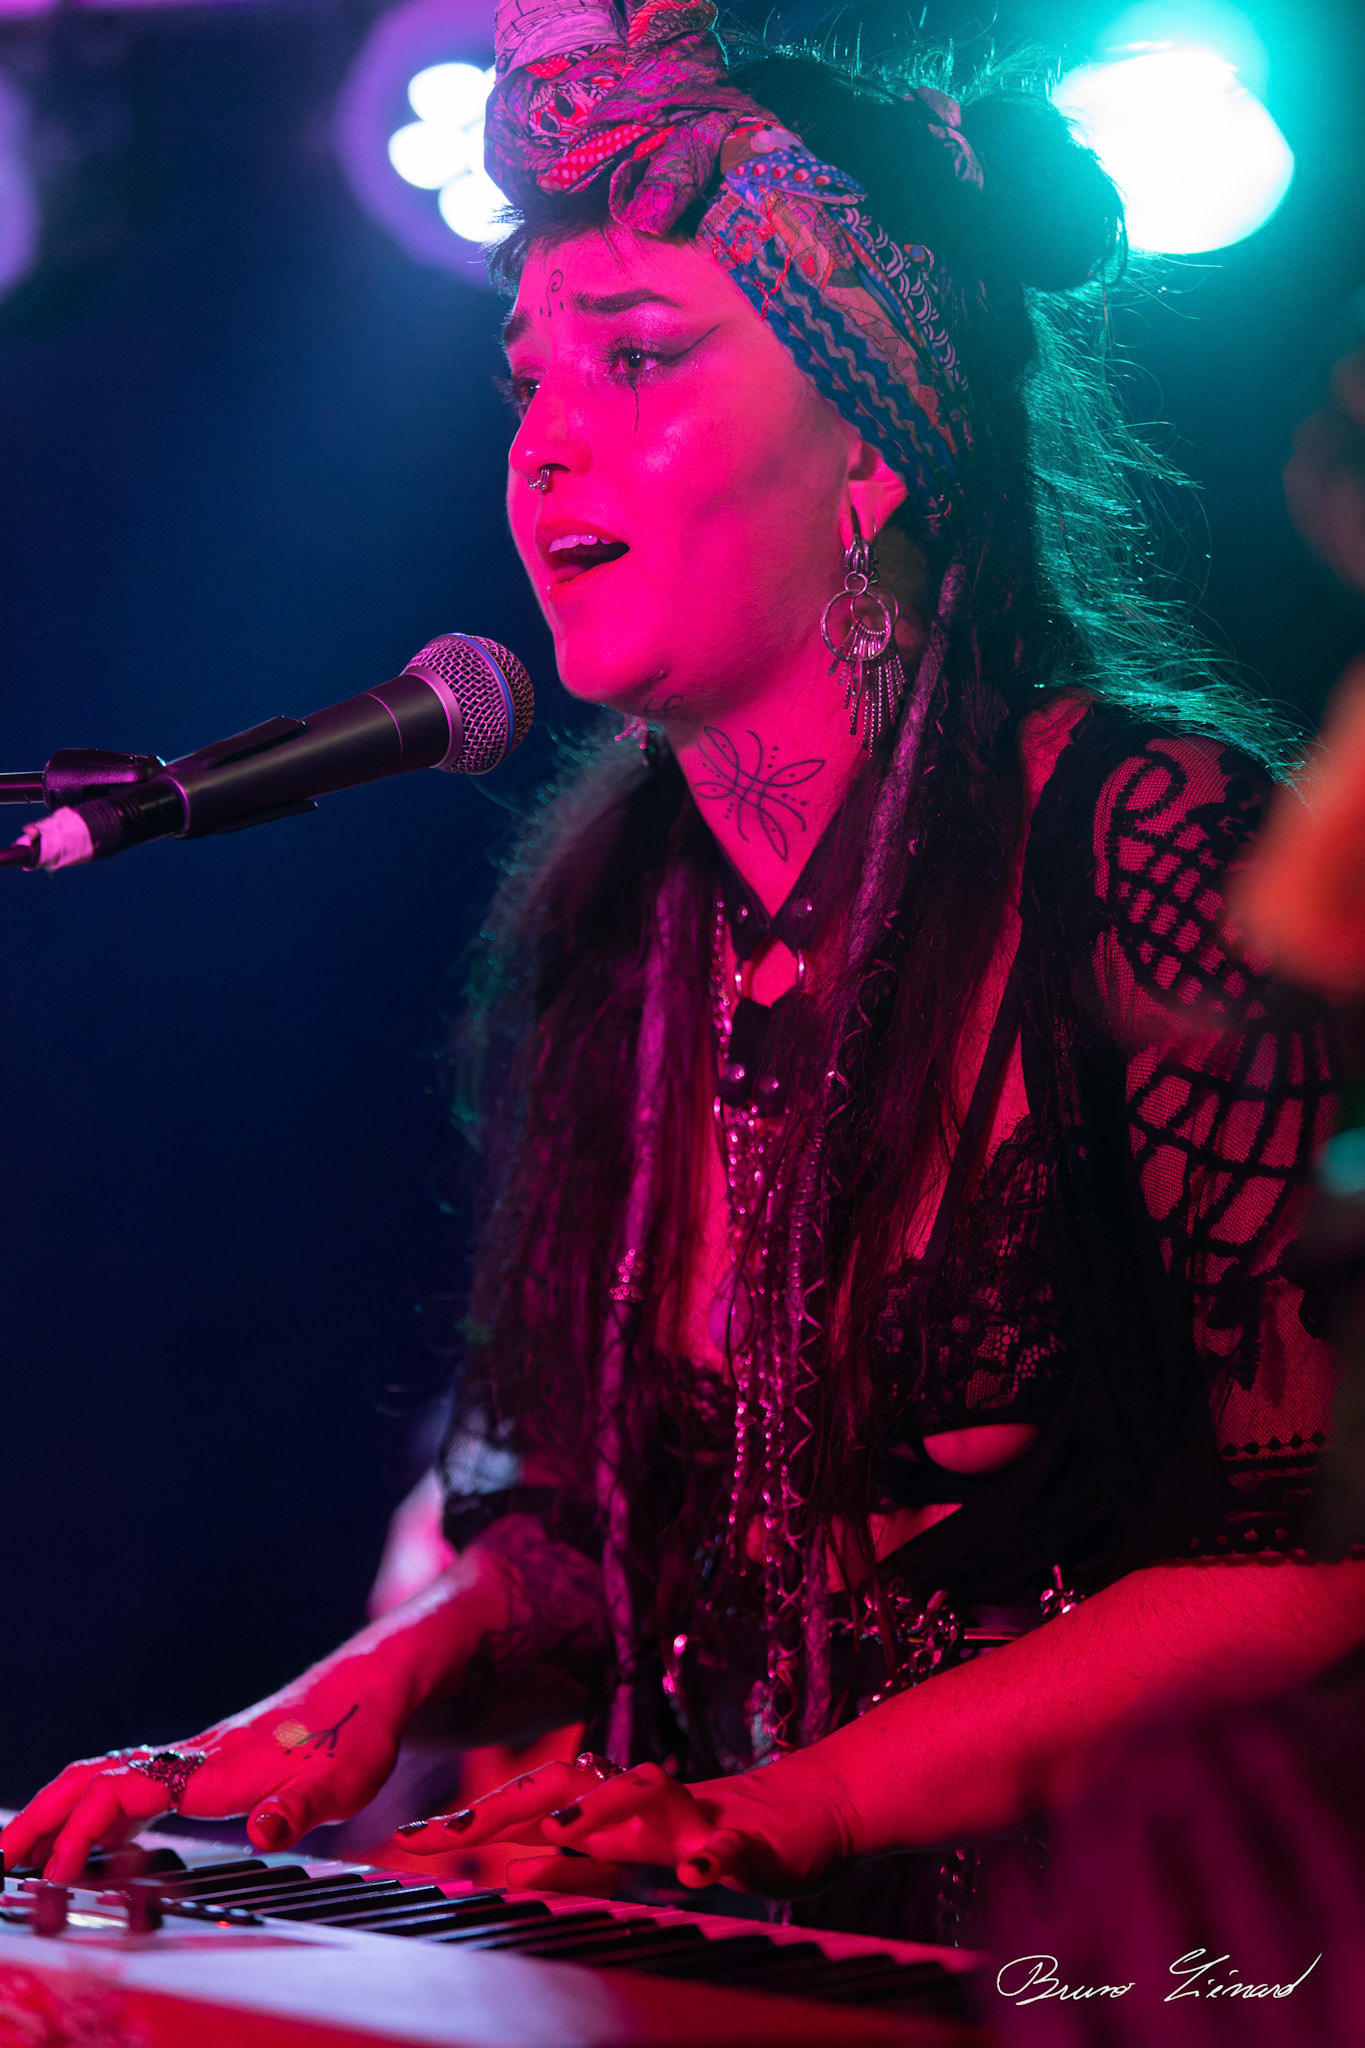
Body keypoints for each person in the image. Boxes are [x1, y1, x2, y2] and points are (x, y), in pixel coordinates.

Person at [7, 0, 1365, 1947]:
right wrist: (317, 1712)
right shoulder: (612, 915)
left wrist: (778, 1812)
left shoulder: (1144, 843)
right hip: (732, 1945)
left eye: (636, 358)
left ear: (872, 449)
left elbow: (1315, 1557)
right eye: (525, 378)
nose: (543, 441)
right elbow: (592, 1539)